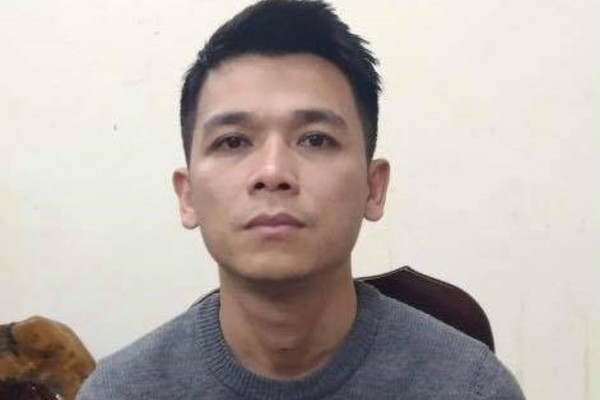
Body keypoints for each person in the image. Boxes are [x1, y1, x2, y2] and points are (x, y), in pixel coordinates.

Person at [76, 1, 525, 399]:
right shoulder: (119, 392)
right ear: (188, 195)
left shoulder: (472, 388)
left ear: (374, 188)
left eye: (315, 139)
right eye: (233, 141)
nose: (272, 172)